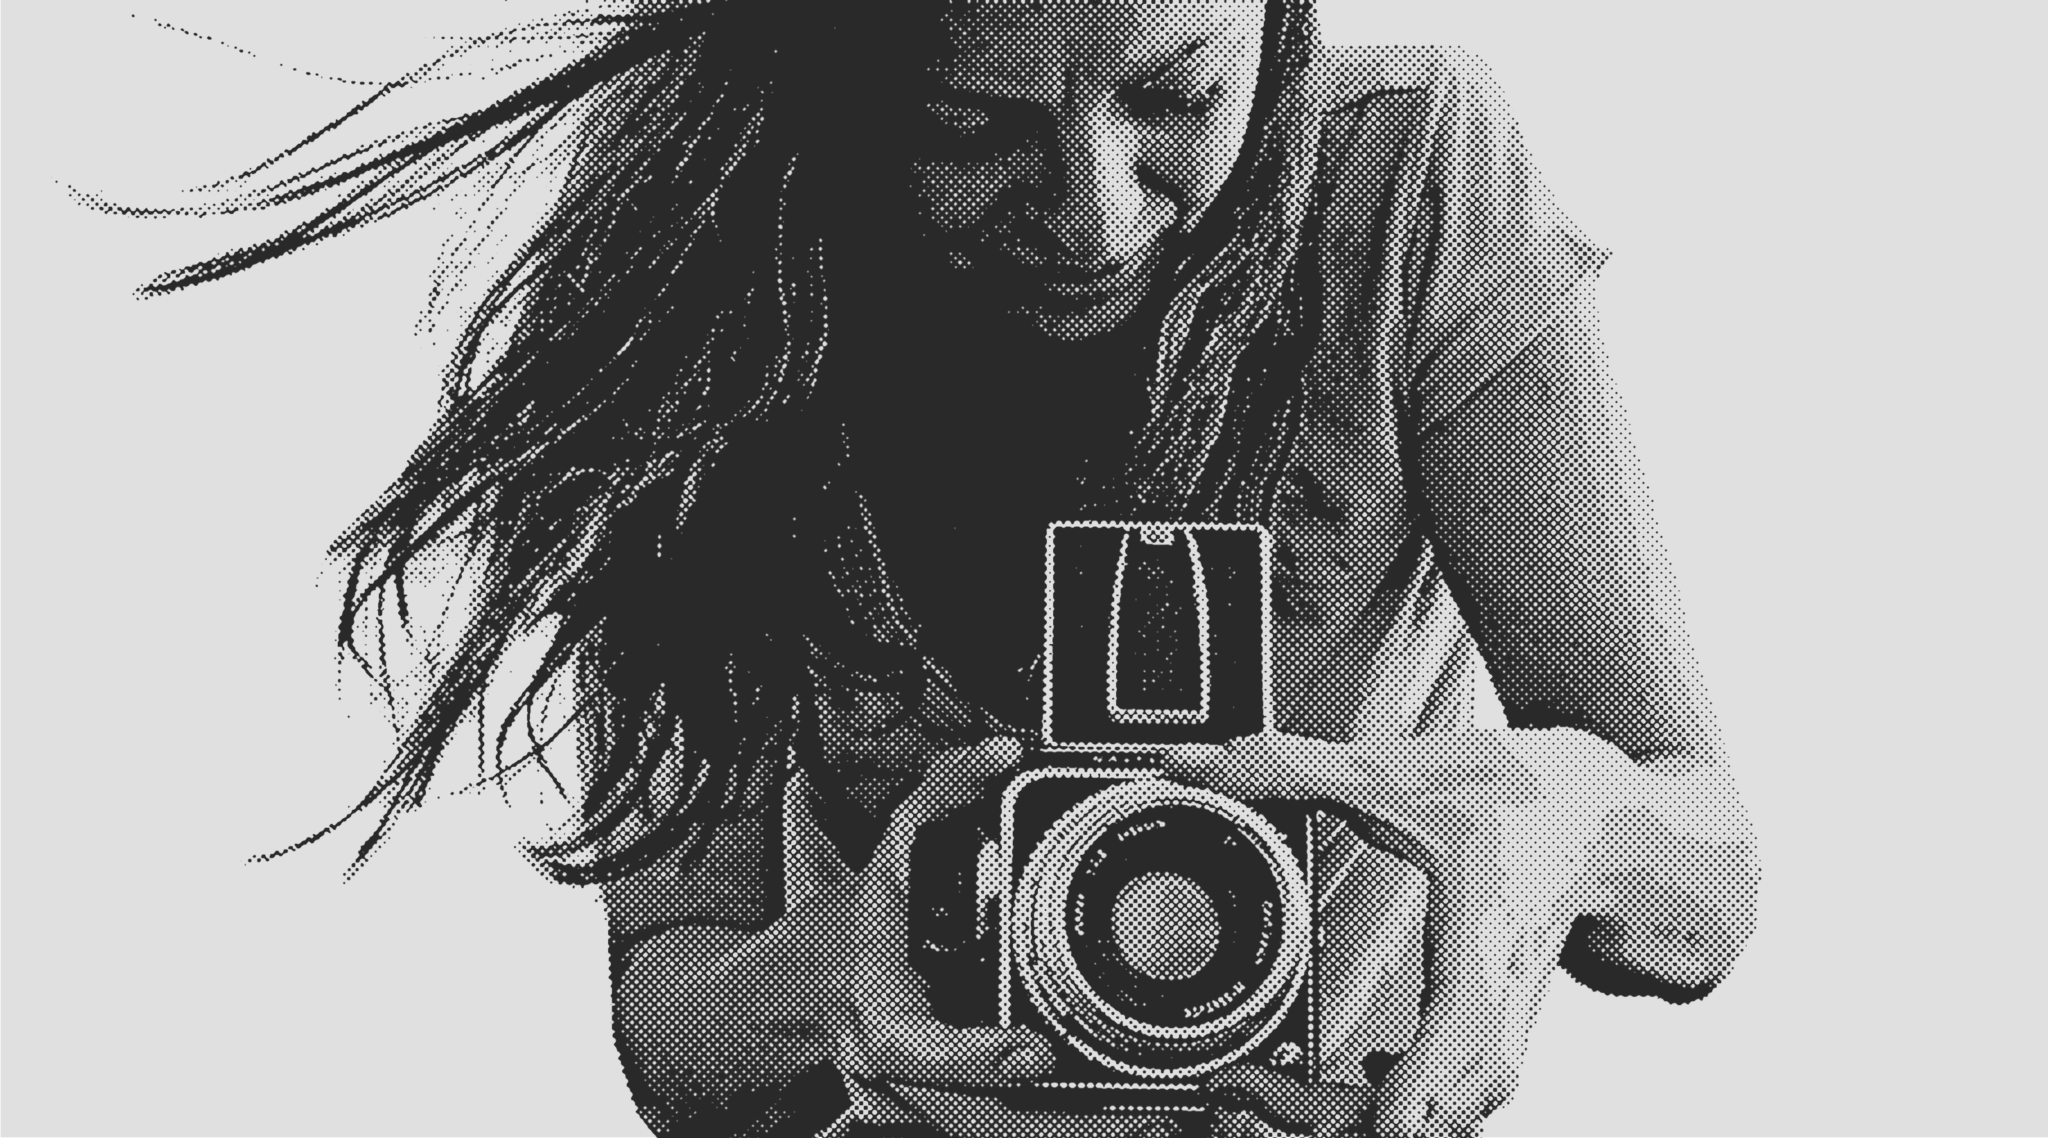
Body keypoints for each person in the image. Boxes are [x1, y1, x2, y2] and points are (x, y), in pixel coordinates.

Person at [130, 0, 1760, 1134]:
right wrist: (840, 977)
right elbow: (673, 1029)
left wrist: (1569, 821)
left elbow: (1706, 881)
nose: (1095, 215)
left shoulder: (1414, 179)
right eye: (967, 125)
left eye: (1180, 93)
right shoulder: (705, 224)